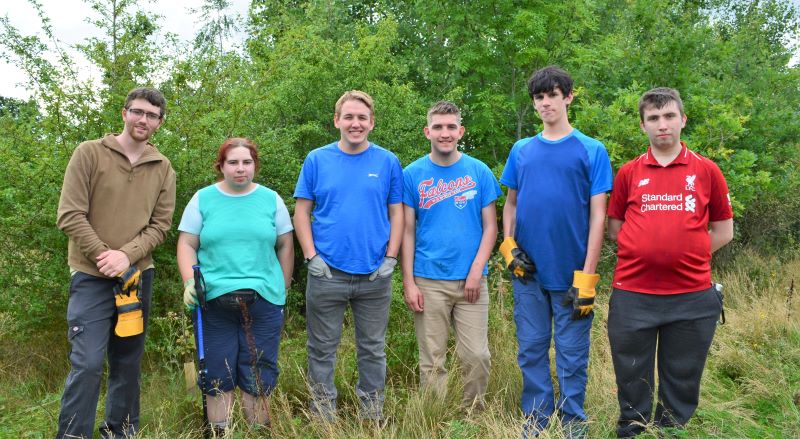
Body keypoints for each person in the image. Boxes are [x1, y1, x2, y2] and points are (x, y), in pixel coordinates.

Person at [606, 87, 733, 438]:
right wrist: (646, 249)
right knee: (631, 373)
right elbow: (615, 227)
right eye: (653, 118)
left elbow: (723, 229)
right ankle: (632, 429)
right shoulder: (629, 173)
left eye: (669, 116)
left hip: (691, 296)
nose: (662, 125)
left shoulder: (707, 171)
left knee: (683, 372)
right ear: (643, 125)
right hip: (633, 293)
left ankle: (671, 430)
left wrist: (688, 254)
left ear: (682, 120)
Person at [55, 87, 176, 438]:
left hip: (136, 278)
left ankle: (120, 432)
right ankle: (74, 435)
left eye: (151, 115)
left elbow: (161, 226)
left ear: (159, 122)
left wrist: (127, 256)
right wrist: (105, 255)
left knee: (127, 363)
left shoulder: (162, 167)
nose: (143, 120)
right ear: (124, 113)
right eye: (137, 112)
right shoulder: (89, 153)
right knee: (88, 363)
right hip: (91, 277)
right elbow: (70, 215)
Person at [499, 66, 612, 438]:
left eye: (552, 94)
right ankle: (535, 420)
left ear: (568, 97)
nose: (545, 102)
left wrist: (588, 275)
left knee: (571, 356)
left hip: (572, 274)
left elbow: (599, 217)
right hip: (528, 272)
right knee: (531, 349)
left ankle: (573, 424)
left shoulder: (591, 150)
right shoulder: (522, 150)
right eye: (539, 97)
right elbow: (510, 204)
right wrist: (508, 246)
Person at [293, 90, 403, 422]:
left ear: (371, 123)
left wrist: (391, 259)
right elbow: (301, 212)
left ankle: (371, 412)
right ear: (337, 120)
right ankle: (323, 414)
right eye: (349, 117)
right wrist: (312, 257)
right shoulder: (316, 159)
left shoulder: (387, 161)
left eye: (362, 118)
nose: (355, 123)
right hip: (327, 272)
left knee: (372, 349)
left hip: (374, 274)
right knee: (321, 349)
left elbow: (397, 213)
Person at [176, 137, 294, 432]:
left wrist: (283, 287)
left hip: (264, 299)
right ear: (221, 166)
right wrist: (190, 282)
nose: (240, 169)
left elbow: (285, 245)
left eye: (247, 162)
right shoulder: (202, 199)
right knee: (218, 372)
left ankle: (258, 431)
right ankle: (220, 431)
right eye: (233, 162)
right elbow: (187, 243)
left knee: (259, 371)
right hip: (214, 300)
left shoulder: (271, 199)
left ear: (255, 165)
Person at [401, 101, 500, 413]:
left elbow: (491, 228)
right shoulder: (412, 174)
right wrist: (409, 283)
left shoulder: (478, 171)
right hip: (428, 279)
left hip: (471, 281)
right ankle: (435, 418)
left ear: (461, 131)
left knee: (477, 356)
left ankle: (472, 418)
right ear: (427, 131)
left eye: (451, 127)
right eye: (438, 127)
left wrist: (476, 271)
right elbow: (406, 231)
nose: (445, 133)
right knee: (432, 359)